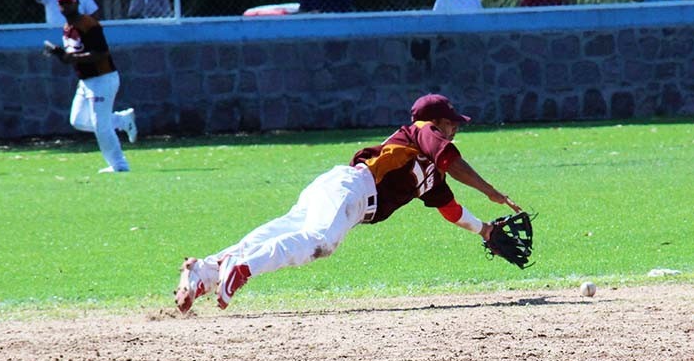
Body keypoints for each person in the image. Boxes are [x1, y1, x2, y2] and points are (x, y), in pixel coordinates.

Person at [174, 94, 523, 313]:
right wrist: (490, 190)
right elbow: (449, 157)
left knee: (289, 230)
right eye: (452, 123)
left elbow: (451, 209)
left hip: (341, 187)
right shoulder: (422, 131)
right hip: (355, 190)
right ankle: (243, 267)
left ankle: (203, 271)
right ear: (438, 123)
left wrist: (485, 229)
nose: (455, 129)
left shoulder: (430, 176)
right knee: (320, 242)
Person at [44, 0, 137, 173]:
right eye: (62, 3)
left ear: (77, 3)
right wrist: (59, 54)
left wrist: (73, 58)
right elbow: (72, 55)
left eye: (68, 2)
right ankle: (120, 121)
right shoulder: (67, 28)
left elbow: (102, 53)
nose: (65, 6)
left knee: (100, 126)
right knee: (78, 120)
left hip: (102, 78)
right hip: (86, 81)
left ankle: (119, 165)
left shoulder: (88, 24)